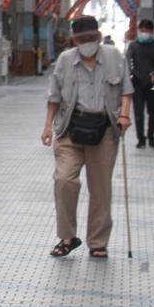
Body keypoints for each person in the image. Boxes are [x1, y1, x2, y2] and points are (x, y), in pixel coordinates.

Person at [42, 16, 133, 260]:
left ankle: (98, 242)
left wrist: (124, 115)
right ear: (74, 40)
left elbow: (126, 90)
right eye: (82, 39)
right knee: (64, 180)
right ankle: (67, 237)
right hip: (70, 129)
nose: (87, 43)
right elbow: (54, 97)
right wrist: (47, 127)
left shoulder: (115, 57)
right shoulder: (65, 60)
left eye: (91, 38)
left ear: (99, 36)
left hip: (103, 130)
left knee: (100, 188)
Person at [126, 18, 154, 149]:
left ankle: (151, 136)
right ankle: (141, 139)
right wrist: (131, 72)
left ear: (151, 31)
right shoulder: (133, 46)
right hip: (137, 83)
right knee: (138, 113)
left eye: (147, 30)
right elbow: (127, 60)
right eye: (142, 30)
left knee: (153, 112)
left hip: (153, 84)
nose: (144, 33)